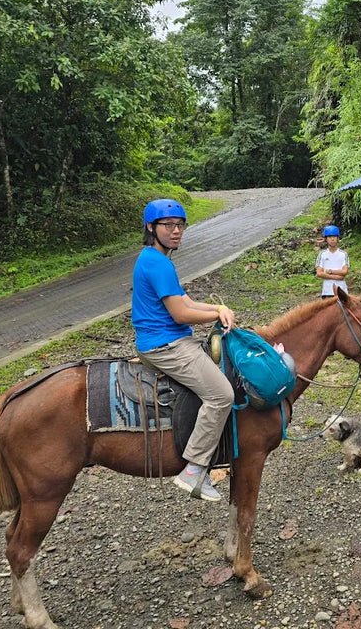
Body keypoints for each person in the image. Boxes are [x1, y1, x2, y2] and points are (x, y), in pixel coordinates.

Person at [132, 198, 237, 502]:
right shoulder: (157, 263)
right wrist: (217, 316)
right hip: (166, 345)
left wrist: (219, 306)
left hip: (168, 338)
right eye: (168, 225)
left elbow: (187, 302)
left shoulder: (156, 260)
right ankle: (194, 469)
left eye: (180, 225)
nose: (176, 231)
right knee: (222, 395)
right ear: (151, 228)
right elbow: (180, 314)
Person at [315, 224, 349, 298]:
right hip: (327, 291)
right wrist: (337, 277)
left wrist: (328, 271)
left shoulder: (343, 254)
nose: (332, 239)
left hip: (342, 291)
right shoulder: (322, 254)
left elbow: (344, 272)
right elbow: (319, 273)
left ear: (337, 238)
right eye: (330, 237)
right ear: (326, 239)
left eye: (334, 237)